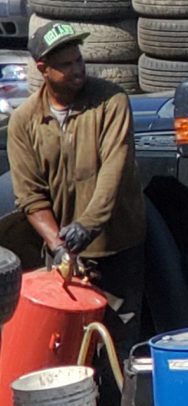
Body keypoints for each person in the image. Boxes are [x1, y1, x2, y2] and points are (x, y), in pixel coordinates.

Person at [6, 22, 147, 347]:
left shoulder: (111, 102)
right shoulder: (24, 121)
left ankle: (117, 399)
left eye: (79, 60)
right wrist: (59, 247)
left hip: (116, 249)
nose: (77, 69)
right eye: (66, 65)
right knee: (64, 346)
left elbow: (115, 171)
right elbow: (30, 195)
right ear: (43, 69)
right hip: (63, 256)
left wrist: (87, 226)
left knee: (116, 345)